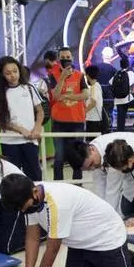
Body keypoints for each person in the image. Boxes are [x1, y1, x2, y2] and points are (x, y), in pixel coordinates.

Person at [0, 174, 134, 267]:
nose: (24, 212)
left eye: (25, 207)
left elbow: (52, 249)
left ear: (35, 191)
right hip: (81, 243)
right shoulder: (28, 201)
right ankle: (125, 260)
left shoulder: (56, 202)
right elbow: (32, 238)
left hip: (107, 238)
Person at [0, 56, 44, 181]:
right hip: (9, 142)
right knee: (13, 179)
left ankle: (38, 201)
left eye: (15, 71)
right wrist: (20, 129)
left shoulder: (29, 88)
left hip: (30, 141)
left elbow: (40, 111)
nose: (13, 75)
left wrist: (37, 128)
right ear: (2, 74)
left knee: (35, 177)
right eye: (8, 73)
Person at [48, 47, 87, 181]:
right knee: (59, 156)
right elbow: (55, 96)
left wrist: (67, 97)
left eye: (68, 57)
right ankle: (58, 185)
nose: (66, 60)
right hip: (59, 122)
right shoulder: (53, 75)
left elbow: (86, 95)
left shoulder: (80, 75)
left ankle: (78, 184)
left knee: (77, 155)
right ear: (59, 60)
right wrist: (63, 78)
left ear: (72, 58)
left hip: (77, 121)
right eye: (63, 57)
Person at [83, 65, 106, 137]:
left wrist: (83, 112)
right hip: (94, 119)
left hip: (93, 120)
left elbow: (93, 103)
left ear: (88, 75)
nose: (85, 77)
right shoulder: (96, 86)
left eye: (86, 75)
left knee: (92, 143)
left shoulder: (94, 87)